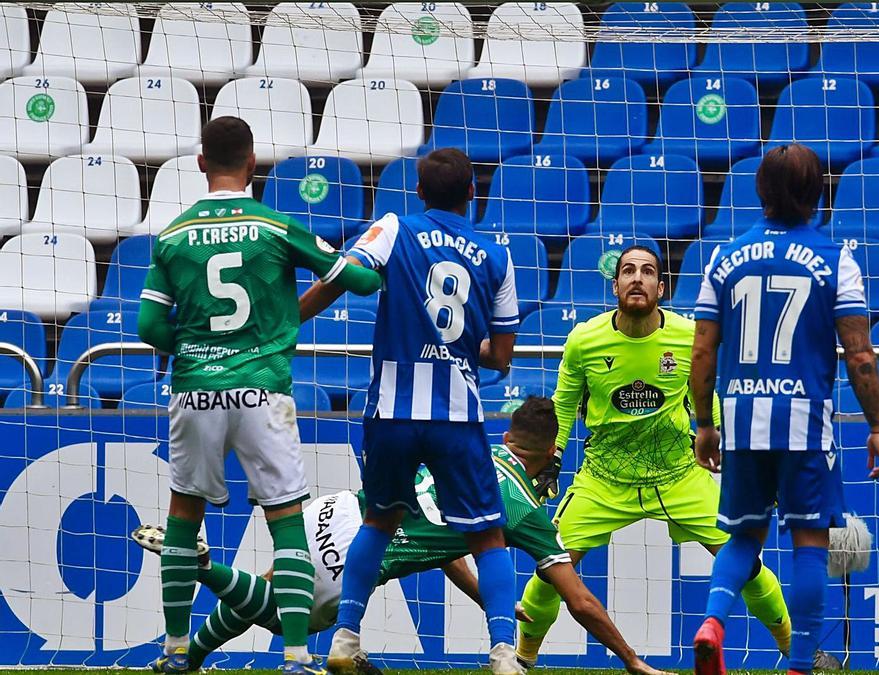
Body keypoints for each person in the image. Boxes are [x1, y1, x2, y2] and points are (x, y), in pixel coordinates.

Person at [130, 398, 667, 675]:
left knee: (268, 594)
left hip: (343, 511)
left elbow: (447, 550)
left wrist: (484, 595)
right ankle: (202, 565)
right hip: (355, 557)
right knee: (274, 615)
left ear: (508, 437)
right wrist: (630, 659)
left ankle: (190, 657)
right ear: (552, 454)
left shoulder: (471, 453)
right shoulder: (524, 508)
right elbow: (580, 600)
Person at [136, 116, 382, 674]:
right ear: (253, 165)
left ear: (201, 164)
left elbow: (149, 327)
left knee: (182, 516)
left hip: (195, 389)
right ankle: (296, 657)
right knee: (287, 519)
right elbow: (359, 281)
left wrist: (199, 349)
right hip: (262, 391)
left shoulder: (172, 235)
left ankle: (175, 653)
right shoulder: (275, 225)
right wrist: (364, 259)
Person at [298, 148, 522, 675]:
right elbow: (502, 357)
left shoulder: (395, 227)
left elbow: (342, 274)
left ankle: (346, 638)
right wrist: (464, 347)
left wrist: (289, 321)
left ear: (419, 192)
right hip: (457, 413)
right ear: (473, 193)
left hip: (392, 410)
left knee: (379, 521)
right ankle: (504, 653)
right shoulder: (495, 253)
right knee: (487, 535)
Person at [516, 245, 792, 670]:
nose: (637, 278)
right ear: (616, 285)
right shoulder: (584, 340)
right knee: (550, 570)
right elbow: (565, 405)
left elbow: (707, 400)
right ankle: (522, 659)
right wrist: (551, 457)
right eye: (628, 271)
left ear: (661, 287)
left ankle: (799, 651)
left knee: (746, 563)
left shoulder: (687, 336)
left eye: (647, 272)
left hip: (679, 474)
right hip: (604, 478)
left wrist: (721, 446)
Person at [688, 143, 879, 675]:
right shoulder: (836, 260)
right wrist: (876, 426)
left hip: (740, 417)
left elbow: (703, 348)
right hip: (803, 422)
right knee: (809, 541)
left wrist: (703, 422)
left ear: (760, 191)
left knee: (743, 535)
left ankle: (712, 622)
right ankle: (800, 662)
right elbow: (860, 354)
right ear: (817, 191)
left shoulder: (722, 256)